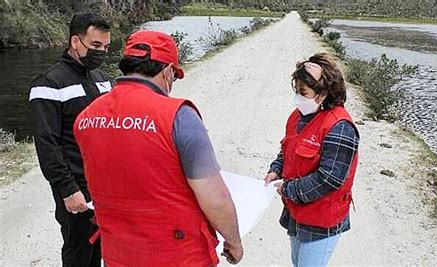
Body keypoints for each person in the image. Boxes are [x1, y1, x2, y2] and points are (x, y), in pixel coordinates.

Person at [73, 30, 243, 266]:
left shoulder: (87, 116)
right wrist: (233, 240)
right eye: (174, 75)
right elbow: (215, 199)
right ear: (167, 71)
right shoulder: (178, 116)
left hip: (117, 253)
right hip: (178, 254)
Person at [29, 13, 111, 266]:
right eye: (96, 46)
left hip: (105, 184)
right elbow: (47, 143)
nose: (101, 52)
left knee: (101, 247)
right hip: (75, 185)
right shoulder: (48, 84)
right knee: (78, 249)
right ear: (76, 41)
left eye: (106, 47)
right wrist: (67, 189)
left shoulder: (102, 79)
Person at [265, 53, 360, 267]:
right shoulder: (298, 116)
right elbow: (286, 150)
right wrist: (276, 169)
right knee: (298, 262)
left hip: (321, 220)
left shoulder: (340, 127)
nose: (298, 98)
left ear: (322, 93)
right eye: (297, 91)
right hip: (297, 214)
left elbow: (330, 179)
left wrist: (289, 189)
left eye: (303, 93)